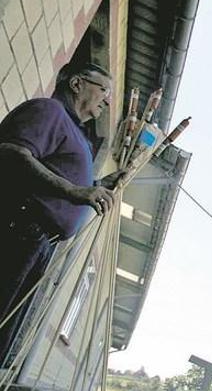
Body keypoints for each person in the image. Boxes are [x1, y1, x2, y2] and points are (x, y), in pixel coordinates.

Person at [0, 61, 121, 362]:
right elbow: (11, 154)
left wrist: (98, 184)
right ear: (77, 84)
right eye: (104, 89)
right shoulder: (48, 111)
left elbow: (63, 176)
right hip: (19, 229)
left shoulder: (77, 134)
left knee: (5, 334)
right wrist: (74, 191)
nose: (108, 100)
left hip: (39, 244)